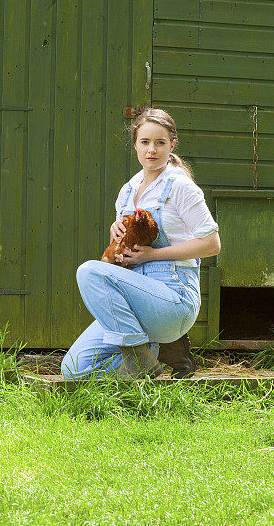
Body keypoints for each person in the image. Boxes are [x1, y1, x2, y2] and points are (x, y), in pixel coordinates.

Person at [61, 108, 221, 380]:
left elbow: (211, 244)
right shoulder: (128, 190)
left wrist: (153, 254)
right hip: (135, 300)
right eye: (145, 142)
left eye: (160, 143)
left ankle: (138, 355)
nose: (152, 150)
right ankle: (152, 354)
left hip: (174, 298)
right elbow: (127, 255)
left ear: (172, 145)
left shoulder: (181, 187)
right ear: (135, 144)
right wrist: (118, 235)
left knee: (88, 271)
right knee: (74, 369)